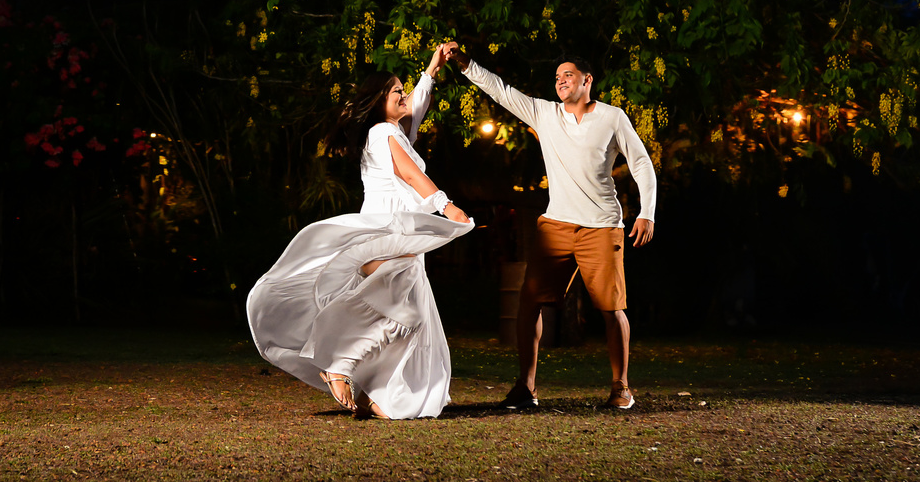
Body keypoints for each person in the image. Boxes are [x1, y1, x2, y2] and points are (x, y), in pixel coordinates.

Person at [247, 46, 473, 420]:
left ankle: (373, 391)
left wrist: (432, 69)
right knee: (406, 310)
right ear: (380, 101)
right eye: (396, 91)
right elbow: (411, 175)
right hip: (386, 230)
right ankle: (340, 364)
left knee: (407, 312)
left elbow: (418, 105)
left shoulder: (393, 131)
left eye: (403, 90)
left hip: (391, 230)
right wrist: (446, 206)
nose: (404, 95)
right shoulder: (384, 132)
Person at [441, 42, 656, 410]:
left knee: (612, 308)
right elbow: (501, 90)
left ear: (587, 80)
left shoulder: (612, 117)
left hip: (601, 227)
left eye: (568, 75)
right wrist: (464, 63)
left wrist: (647, 212)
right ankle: (526, 387)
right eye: (557, 77)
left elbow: (641, 163)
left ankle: (621, 387)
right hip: (556, 226)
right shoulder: (545, 113)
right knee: (530, 302)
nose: (561, 81)